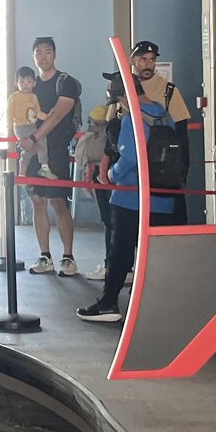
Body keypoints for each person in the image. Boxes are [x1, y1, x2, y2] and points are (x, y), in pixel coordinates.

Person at [77, 71, 180, 323]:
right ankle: (146, 303)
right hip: (162, 195)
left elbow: (131, 158)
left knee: (120, 252)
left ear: (125, 96)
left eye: (119, 100)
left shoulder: (130, 120)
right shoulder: (164, 115)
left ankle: (108, 303)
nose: (120, 105)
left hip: (129, 197)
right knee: (151, 253)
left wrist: (111, 174)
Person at [27, 36, 82, 276]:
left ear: (55, 54)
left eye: (47, 51)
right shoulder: (29, 84)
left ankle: (68, 257)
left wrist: (35, 138)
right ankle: (44, 256)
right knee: (37, 200)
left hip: (56, 149)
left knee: (58, 201)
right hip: (33, 151)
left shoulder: (66, 82)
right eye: (38, 52)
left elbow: (57, 115)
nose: (43, 56)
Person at [128, 40, 193, 223]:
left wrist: (182, 172)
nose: (148, 64)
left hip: (163, 168)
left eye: (152, 60)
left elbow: (181, 135)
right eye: (143, 59)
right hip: (130, 168)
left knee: (168, 221)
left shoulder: (169, 91)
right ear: (133, 61)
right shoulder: (125, 87)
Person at [74, 71, 124, 282]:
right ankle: (114, 264)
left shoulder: (119, 114)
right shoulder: (113, 110)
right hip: (109, 173)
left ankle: (114, 266)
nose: (110, 88)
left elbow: (111, 148)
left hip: (113, 173)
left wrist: (106, 171)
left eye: (114, 84)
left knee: (113, 222)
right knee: (113, 222)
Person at [7, 66, 49, 179]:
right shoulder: (14, 97)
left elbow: (38, 112)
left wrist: (47, 116)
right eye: (22, 82)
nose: (25, 85)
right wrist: (10, 130)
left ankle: (22, 175)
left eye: (29, 82)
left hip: (32, 126)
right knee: (41, 139)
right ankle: (44, 166)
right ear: (16, 83)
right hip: (20, 127)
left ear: (34, 83)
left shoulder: (34, 97)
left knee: (31, 149)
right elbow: (10, 114)